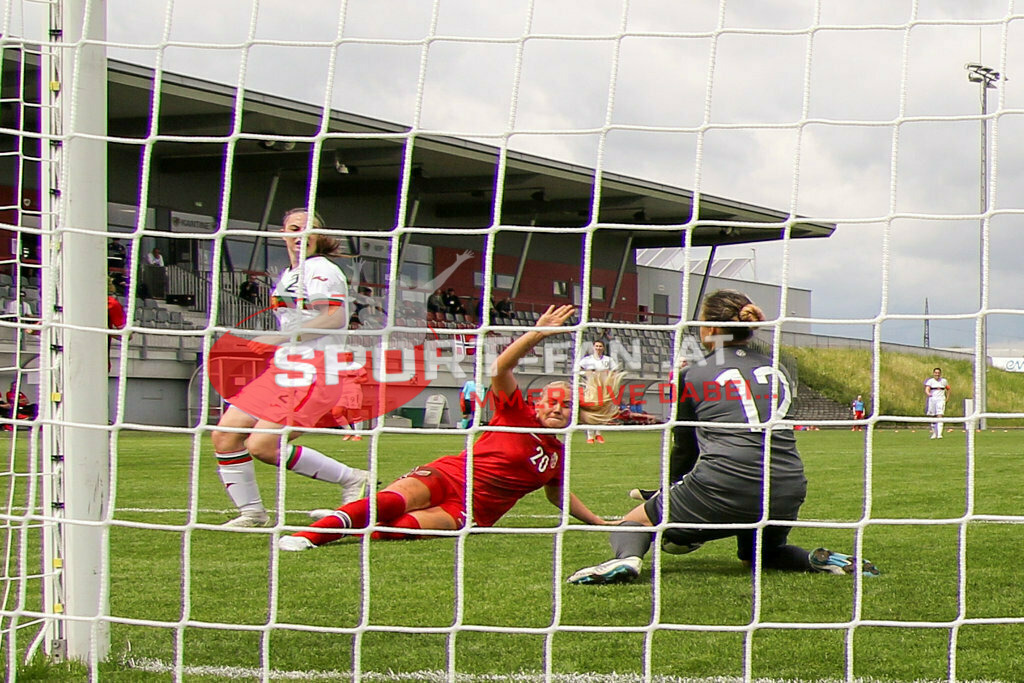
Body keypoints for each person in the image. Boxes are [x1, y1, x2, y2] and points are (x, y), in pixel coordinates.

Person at [567, 289, 880, 585]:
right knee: (761, 555)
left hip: (724, 484)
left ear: (712, 329)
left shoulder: (693, 374)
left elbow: (685, 448)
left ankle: (627, 559)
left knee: (636, 522)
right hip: (787, 486)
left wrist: (669, 492)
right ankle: (818, 560)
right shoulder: (780, 369)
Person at [277, 304, 619, 551]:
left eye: (567, 405)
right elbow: (499, 368)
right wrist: (536, 334)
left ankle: (349, 519)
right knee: (392, 502)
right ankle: (311, 535)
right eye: (552, 401)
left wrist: (599, 522)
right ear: (538, 402)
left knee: (400, 529)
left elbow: (558, 495)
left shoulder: (556, 455)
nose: (558, 408)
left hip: (471, 511)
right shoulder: (516, 413)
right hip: (449, 475)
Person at [209, 208, 369, 528]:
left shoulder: (321, 269)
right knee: (225, 435)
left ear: (319, 236)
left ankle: (353, 478)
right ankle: (252, 514)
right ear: (283, 233)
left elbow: (334, 318)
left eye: (309, 229)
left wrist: (280, 337)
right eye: (294, 228)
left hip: (315, 370)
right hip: (284, 368)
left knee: (262, 445)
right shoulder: (289, 273)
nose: (301, 234)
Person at [576, 340, 618, 444]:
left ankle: (598, 434)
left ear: (603, 348)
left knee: (602, 410)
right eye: (597, 346)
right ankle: (590, 436)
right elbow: (578, 370)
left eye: (600, 346)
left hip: (603, 388)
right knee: (591, 410)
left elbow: (615, 371)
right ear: (593, 347)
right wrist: (587, 373)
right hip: (591, 387)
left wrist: (609, 375)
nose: (598, 348)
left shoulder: (608, 360)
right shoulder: (587, 360)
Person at [331, 365, 369, 441]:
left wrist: (359, 380)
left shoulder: (356, 365)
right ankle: (348, 431)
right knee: (336, 412)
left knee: (355, 412)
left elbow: (365, 378)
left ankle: (358, 435)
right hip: (341, 391)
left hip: (353, 391)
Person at [924, 367, 951, 439]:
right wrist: (928, 393)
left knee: (940, 415)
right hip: (932, 400)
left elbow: (948, 389)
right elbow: (927, 389)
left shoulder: (944, 381)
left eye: (938, 373)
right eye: (936, 373)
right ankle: (934, 433)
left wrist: (947, 398)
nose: (937, 374)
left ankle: (939, 434)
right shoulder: (930, 381)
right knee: (933, 416)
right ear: (933, 373)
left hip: (941, 400)